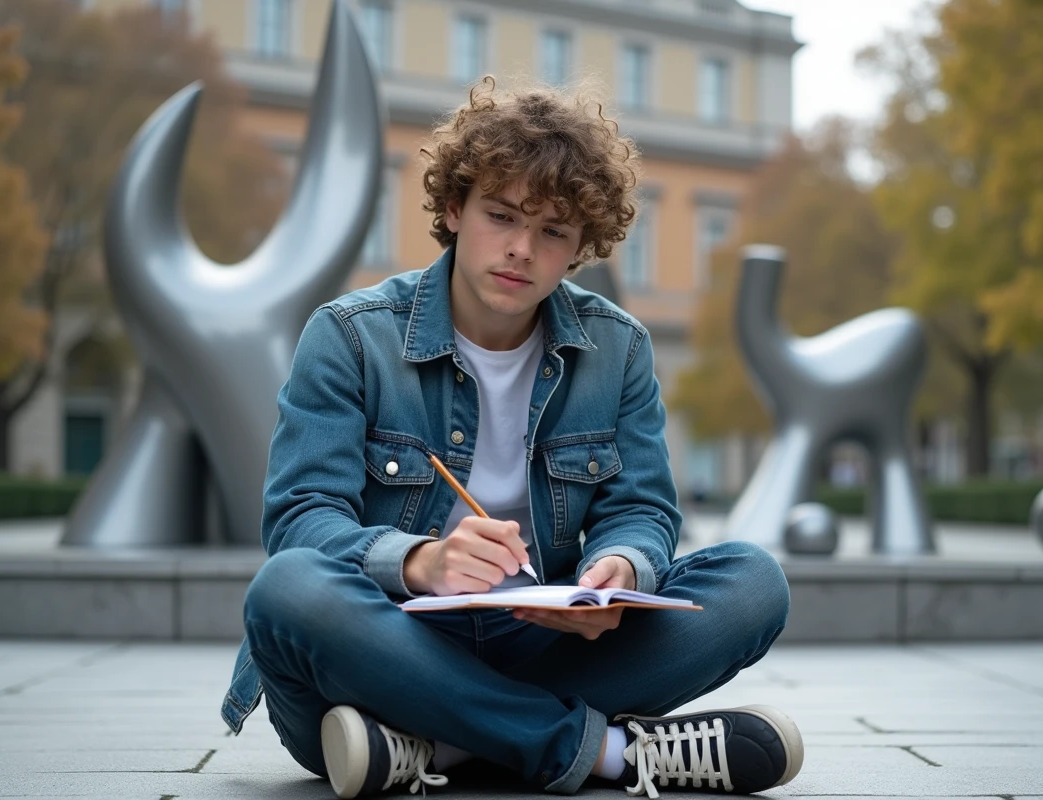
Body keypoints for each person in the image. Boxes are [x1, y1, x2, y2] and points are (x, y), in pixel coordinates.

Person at [220, 76, 801, 799]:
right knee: (288, 588)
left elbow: (643, 511)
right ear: (455, 208)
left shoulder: (617, 347)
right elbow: (301, 522)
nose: (521, 248)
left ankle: (443, 745)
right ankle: (611, 754)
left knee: (753, 581)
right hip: (383, 651)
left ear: (581, 245)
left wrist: (621, 570)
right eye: (501, 215)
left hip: (541, 644)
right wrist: (424, 563)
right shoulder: (348, 335)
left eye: (553, 231)